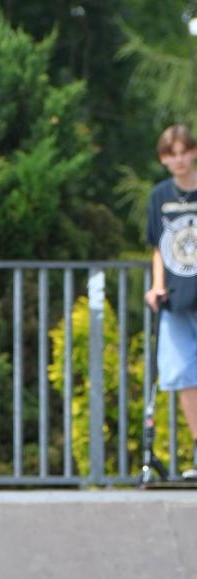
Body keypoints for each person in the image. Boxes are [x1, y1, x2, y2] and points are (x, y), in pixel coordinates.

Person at [145, 123, 197, 480]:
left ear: (193, 152)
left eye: (183, 152)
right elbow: (158, 247)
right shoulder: (159, 195)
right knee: (182, 376)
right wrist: (157, 286)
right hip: (176, 298)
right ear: (164, 159)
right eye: (171, 154)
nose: (178, 160)